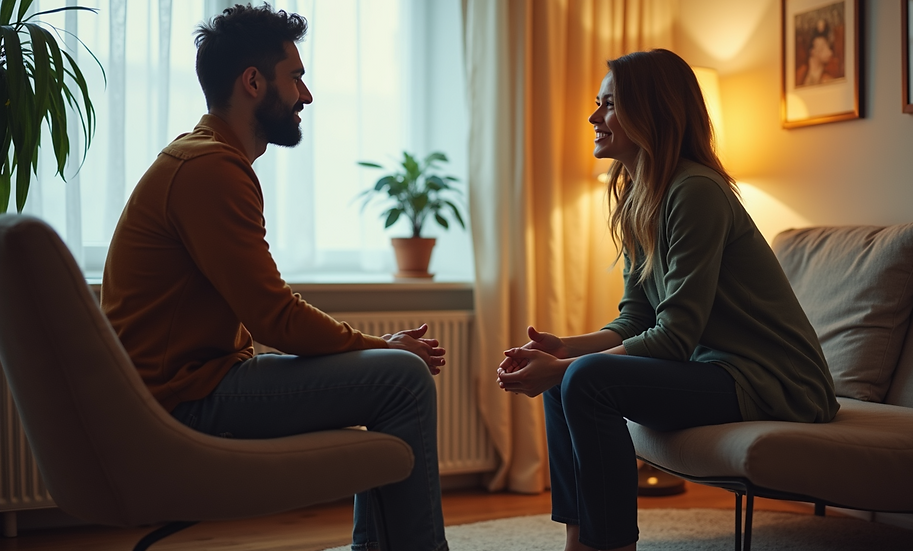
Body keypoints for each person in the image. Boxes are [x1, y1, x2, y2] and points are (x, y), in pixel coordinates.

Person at [100, 4, 448, 551]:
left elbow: (267, 313)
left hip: (192, 386)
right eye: (296, 77)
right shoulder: (211, 168)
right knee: (401, 377)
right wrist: (381, 346)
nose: (306, 95)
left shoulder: (201, 158)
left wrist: (375, 349)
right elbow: (274, 318)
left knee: (392, 374)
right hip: (182, 402)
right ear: (253, 82)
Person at [497, 49, 838, 551]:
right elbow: (636, 318)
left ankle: (612, 546)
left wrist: (570, 366)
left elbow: (675, 338)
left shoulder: (696, 191)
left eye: (609, 104)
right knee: (567, 375)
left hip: (777, 383)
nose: (594, 117)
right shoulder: (641, 196)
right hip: (719, 371)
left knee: (582, 377)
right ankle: (580, 541)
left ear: (651, 112)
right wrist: (564, 350)